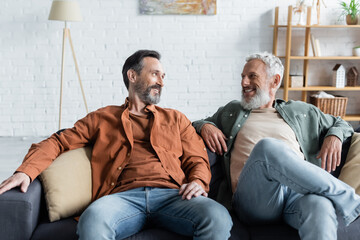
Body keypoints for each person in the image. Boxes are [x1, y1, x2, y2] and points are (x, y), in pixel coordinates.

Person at [0, 50, 232, 240]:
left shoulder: (176, 119)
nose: (161, 81)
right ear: (132, 76)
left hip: (173, 196)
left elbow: (197, 158)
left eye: (163, 75)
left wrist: (199, 181)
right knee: (92, 221)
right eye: (155, 74)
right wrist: (26, 172)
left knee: (218, 216)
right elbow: (58, 141)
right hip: (120, 198)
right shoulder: (102, 118)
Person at [192, 52, 360, 240]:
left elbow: (342, 124)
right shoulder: (232, 111)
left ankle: (341, 200)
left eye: (252, 76)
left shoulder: (301, 111)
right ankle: (351, 201)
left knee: (320, 205)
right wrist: (205, 125)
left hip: (296, 196)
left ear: (275, 81)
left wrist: (334, 135)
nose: (244, 83)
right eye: (243, 77)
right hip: (256, 198)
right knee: (267, 148)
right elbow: (190, 125)